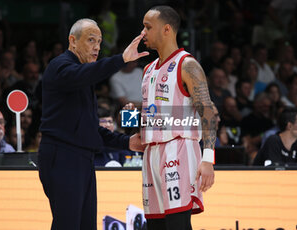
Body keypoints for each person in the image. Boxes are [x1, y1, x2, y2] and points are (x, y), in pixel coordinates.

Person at [38, 18, 148, 230]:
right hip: (62, 156)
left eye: (99, 41)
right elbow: (87, 73)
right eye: (90, 40)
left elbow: (91, 128)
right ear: (73, 41)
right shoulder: (60, 67)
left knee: (86, 225)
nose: (97, 46)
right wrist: (122, 59)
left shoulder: (82, 76)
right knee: (68, 225)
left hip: (82, 159)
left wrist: (127, 142)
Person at [138, 6, 216, 230]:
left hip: (179, 150)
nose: (143, 32)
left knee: (177, 224)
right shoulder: (148, 69)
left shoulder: (188, 65)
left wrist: (208, 158)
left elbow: (208, 113)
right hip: (151, 153)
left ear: (167, 29)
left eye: (148, 27)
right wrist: (136, 131)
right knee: (155, 226)